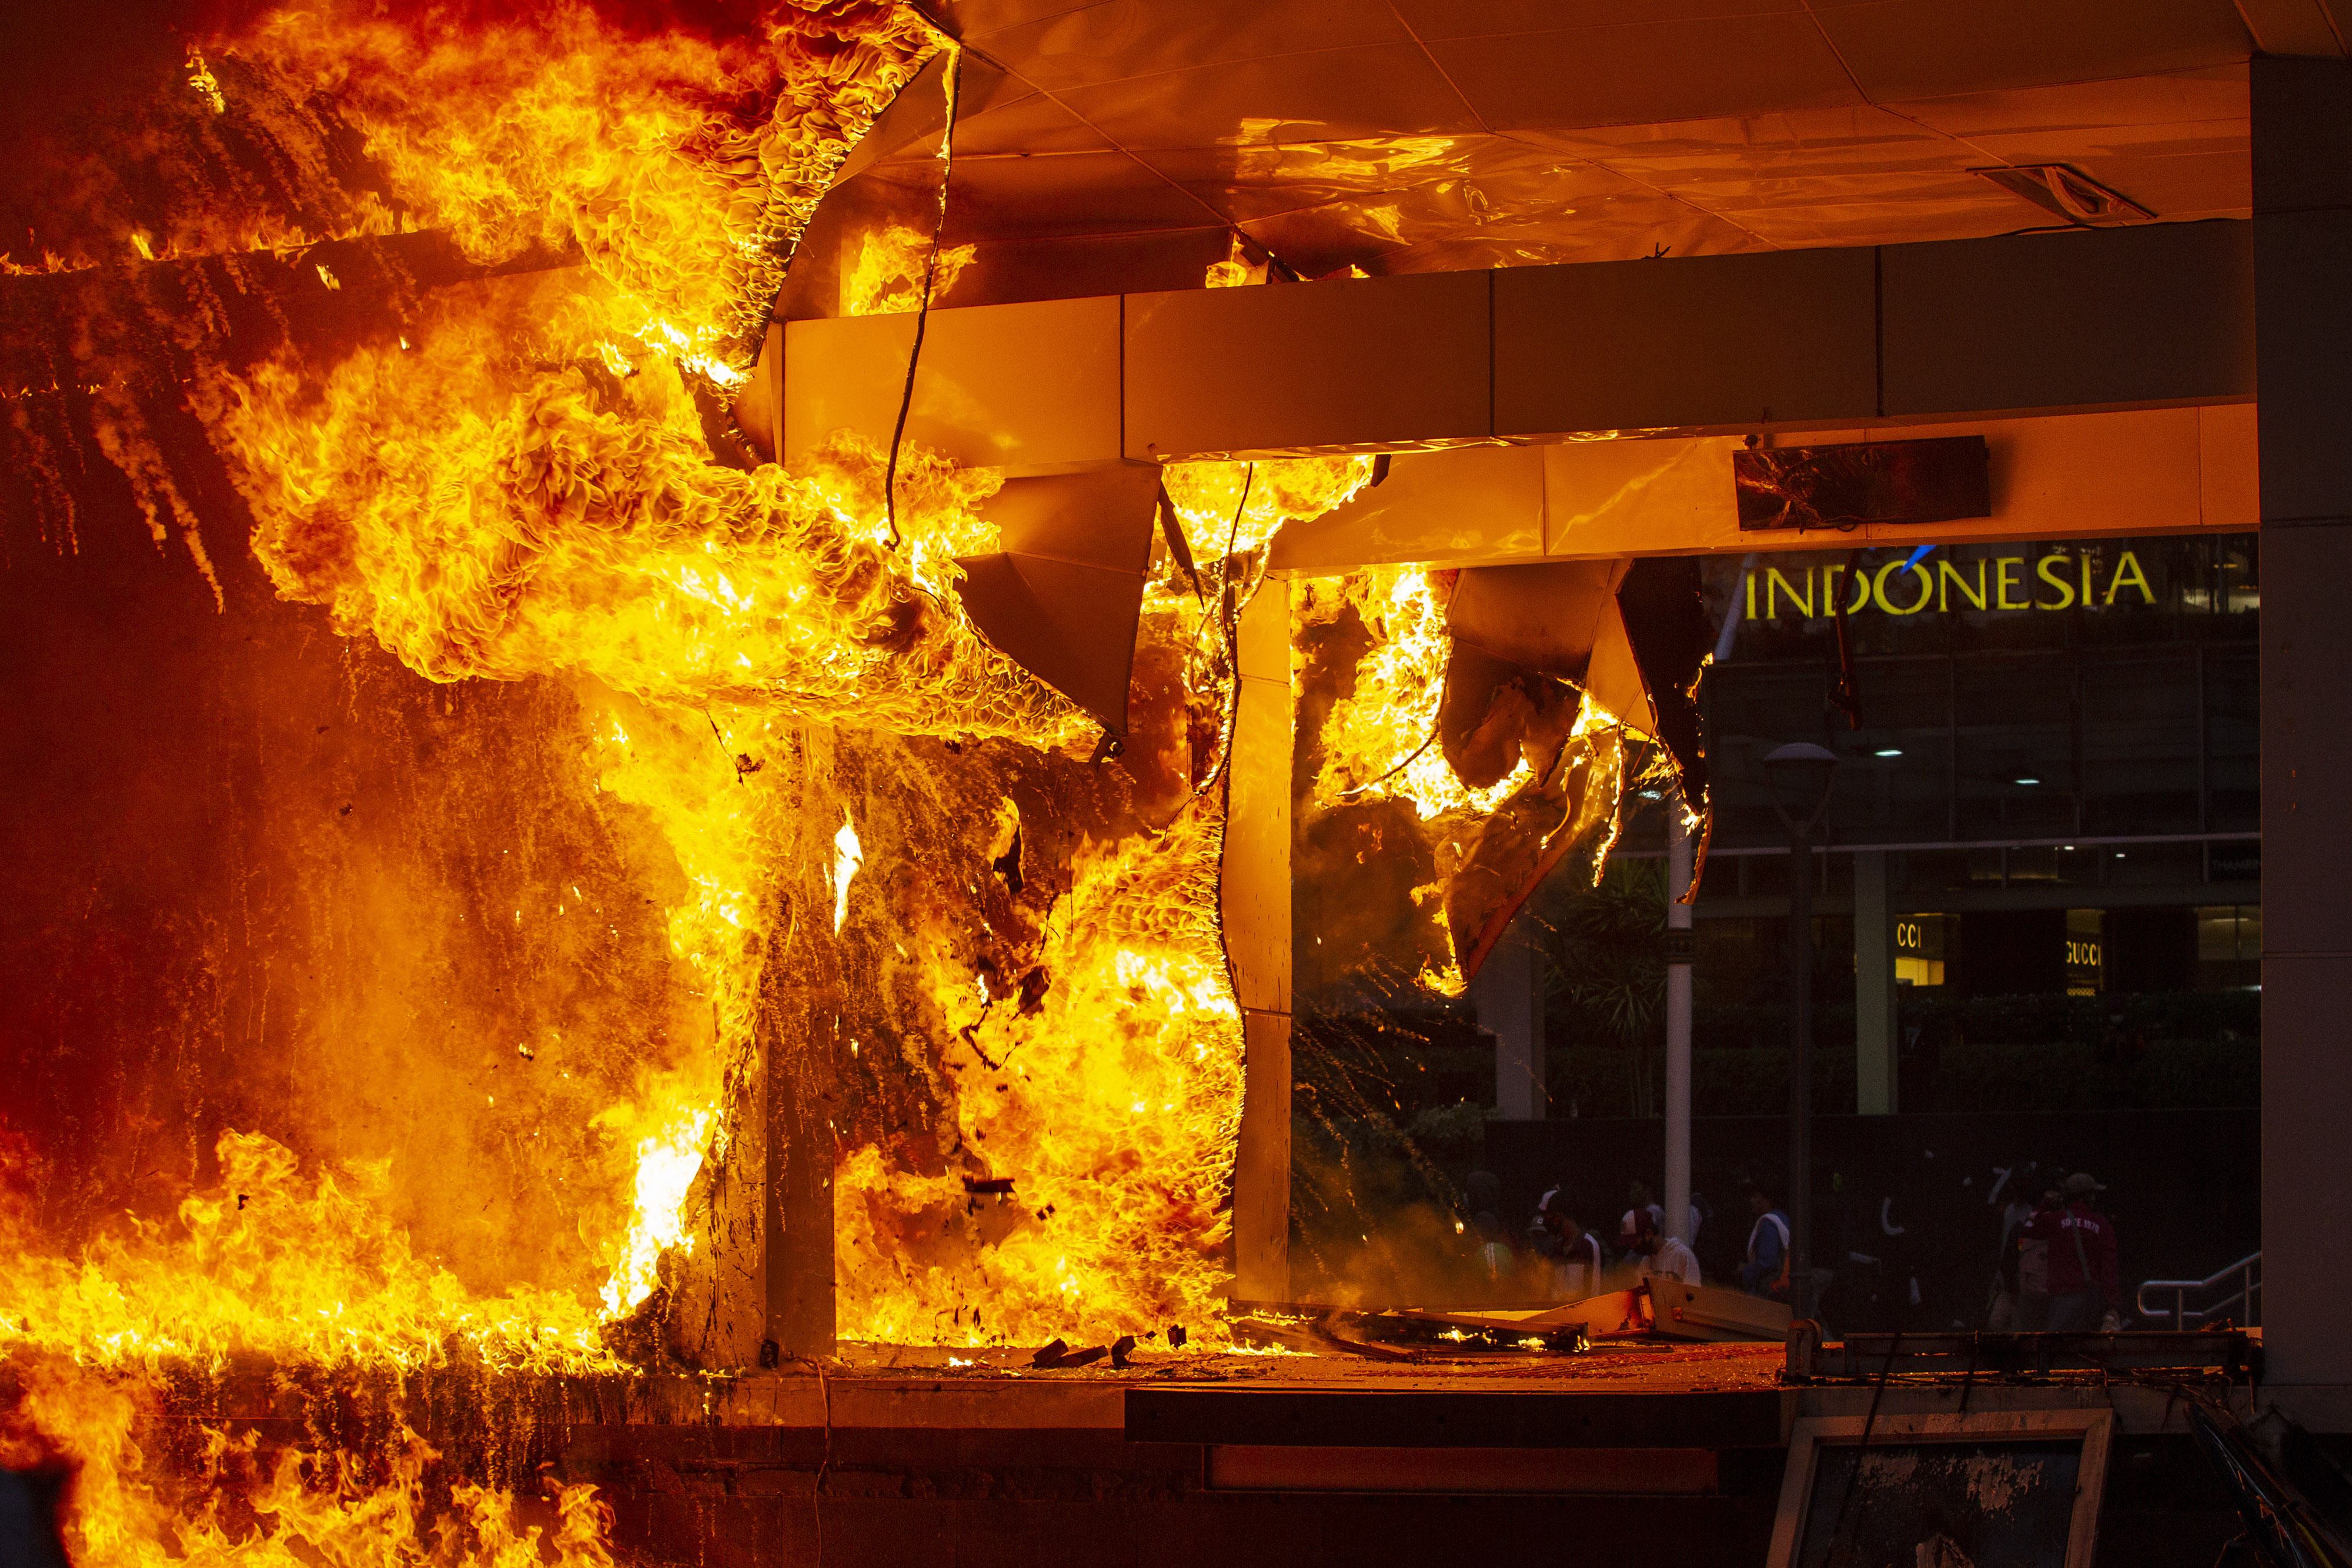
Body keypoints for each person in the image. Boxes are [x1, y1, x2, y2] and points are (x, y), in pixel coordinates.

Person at [2023, 1171, 2119, 1332]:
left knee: (2057, 1350)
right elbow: (2110, 1268)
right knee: (2090, 1351)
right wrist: (2112, 1305)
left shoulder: (2055, 1220)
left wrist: (2045, 1204)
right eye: (2092, 1194)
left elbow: (2029, 1227)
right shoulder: (2102, 1225)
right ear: (2086, 1196)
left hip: (2063, 1301)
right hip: (2092, 1301)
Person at [1620, 1210, 1701, 1286]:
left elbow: (1696, 1295)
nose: (1632, 1246)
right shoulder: (1646, 1261)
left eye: (1634, 1241)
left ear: (1649, 1233)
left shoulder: (1682, 1255)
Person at [1740, 1182, 1792, 1299]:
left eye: (1755, 1197)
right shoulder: (1783, 1218)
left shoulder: (1769, 1223)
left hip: (1773, 1285)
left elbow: (1767, 1262)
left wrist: (1746, 1273)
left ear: (1767, 1200)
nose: (1751, 1201)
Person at [1548, 1206, 1605, 1300]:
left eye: (1551, 1220)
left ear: (1559, 1218)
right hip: (1558, 1312)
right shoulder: (1557, 1248)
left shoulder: (1588, 1245)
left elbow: (1595, 1291)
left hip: (1582, 1312)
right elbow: (1553, 1288)